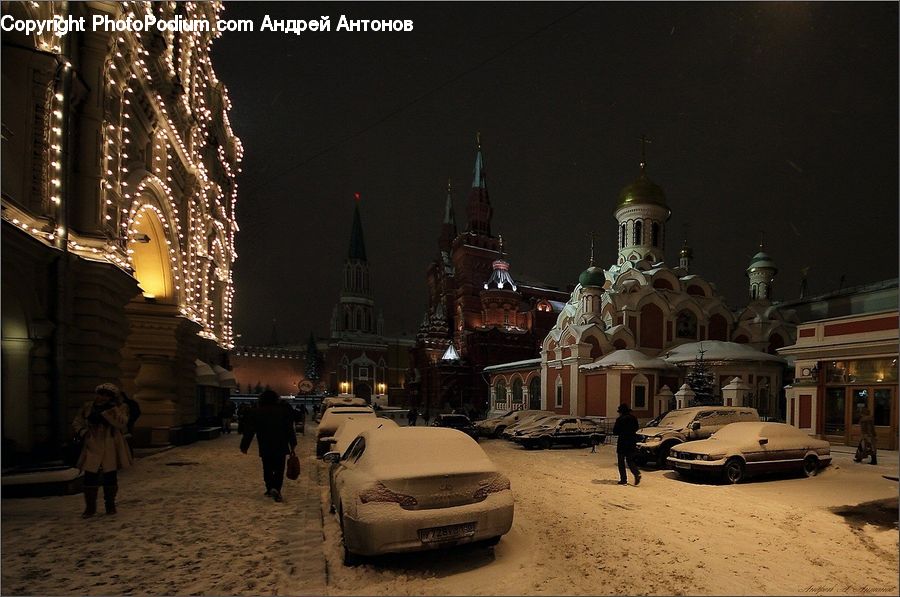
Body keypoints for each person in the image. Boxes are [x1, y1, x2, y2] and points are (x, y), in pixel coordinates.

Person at [72, 383, 133, 517]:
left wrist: (112, 411)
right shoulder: (88, 406)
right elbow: (77, 421)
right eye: (101, 394)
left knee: (110, 475)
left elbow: (122, 423)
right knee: (90, 476)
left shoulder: (120, 407)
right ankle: (90, 508)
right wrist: (83, 432)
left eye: (107, 395)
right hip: (92, 443)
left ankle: (110, 505)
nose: (103, 397)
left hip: (111, 443)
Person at [240, 390, 297, 502]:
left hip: (265, 444)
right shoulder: (282, 411)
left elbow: (250, 430)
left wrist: (244, 445)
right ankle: (276, 488)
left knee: (267, 467)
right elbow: (289, 428)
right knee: (279, 468)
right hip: (281, 444)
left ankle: (270, 487)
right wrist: (293, 443)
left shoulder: (257, 412)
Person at [612, 403, 641, 486]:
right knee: (630, 460)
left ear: (621, 412)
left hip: (622, 442)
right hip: (632, 441)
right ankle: (636, 473)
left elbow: (615, 431)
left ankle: (623, 479)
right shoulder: (633, 418)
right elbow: (636, 428)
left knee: (621, 461)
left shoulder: (620, 419)